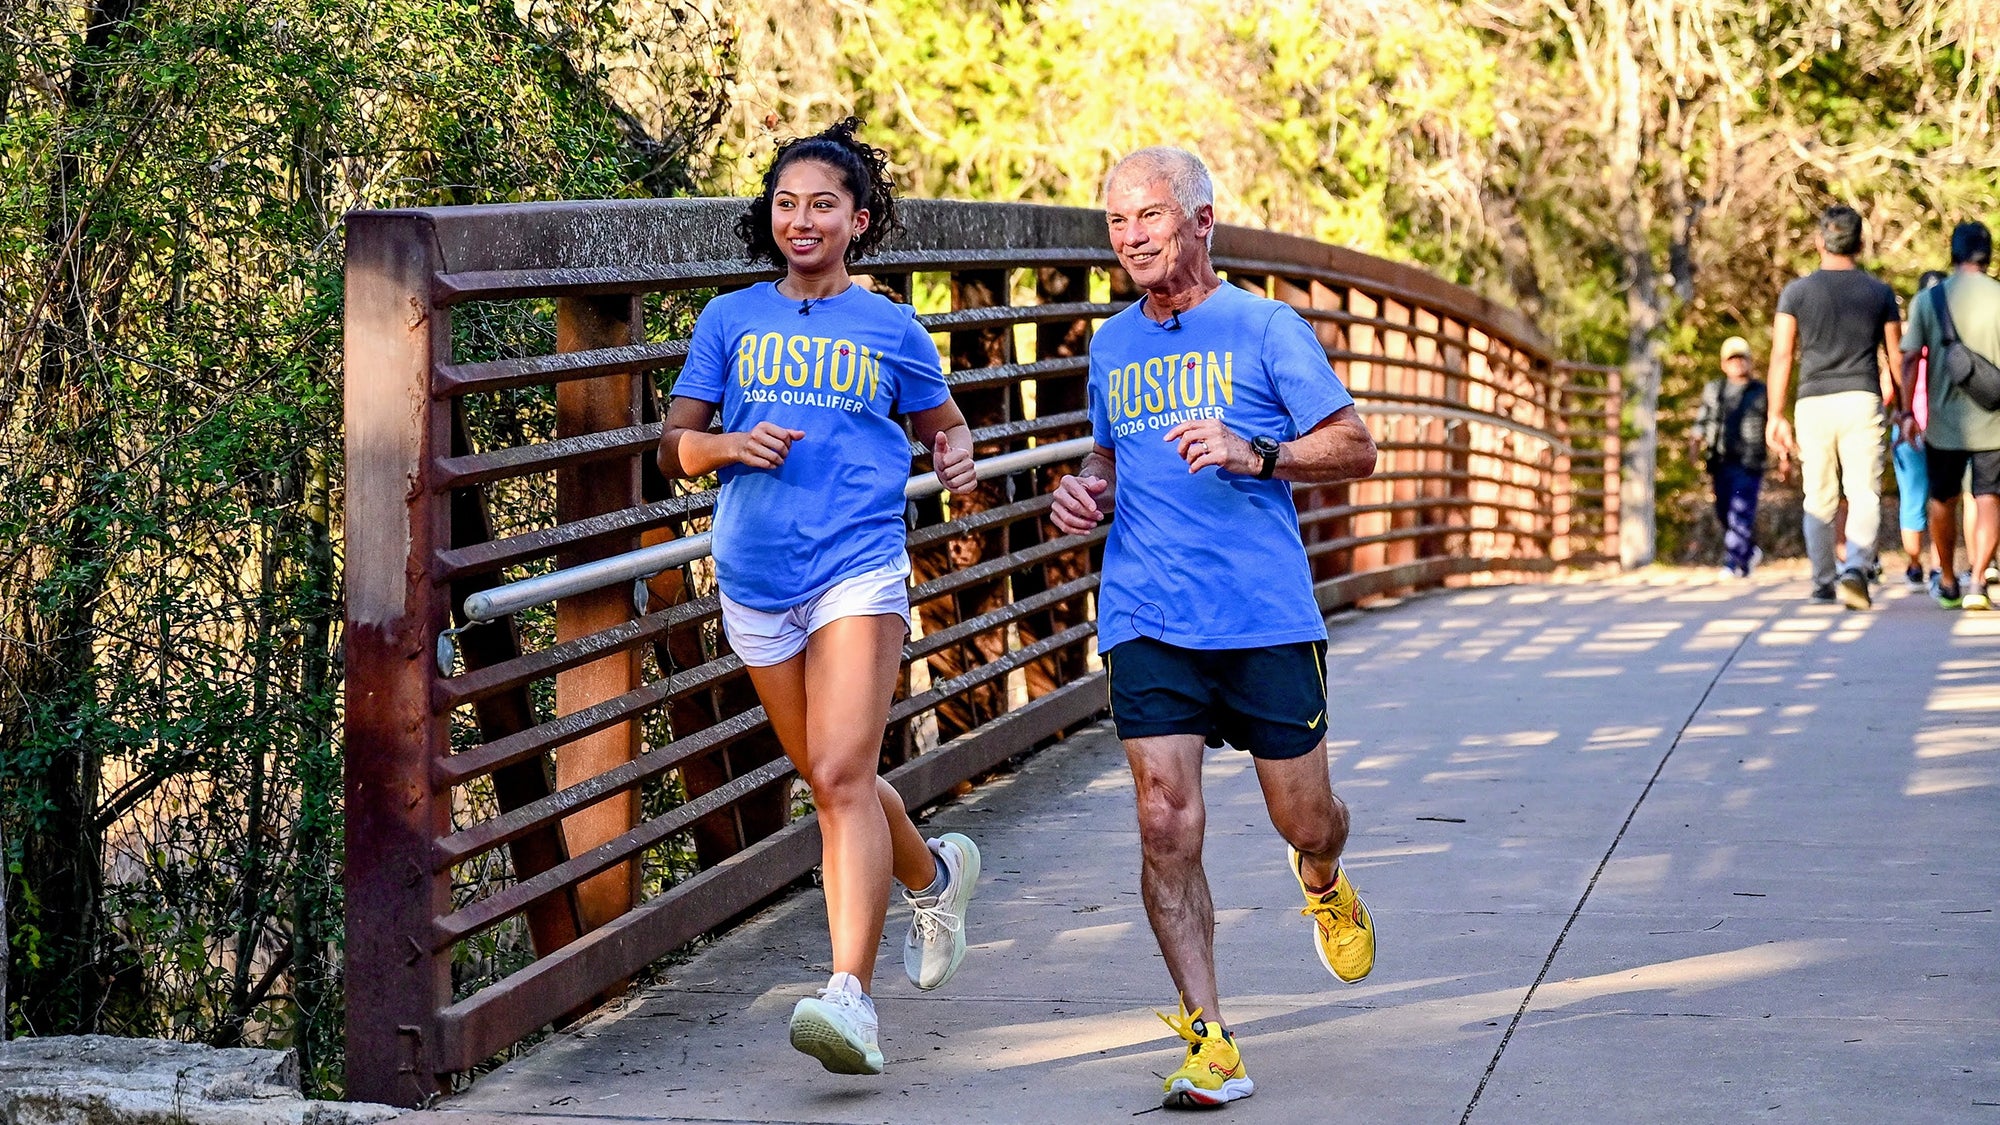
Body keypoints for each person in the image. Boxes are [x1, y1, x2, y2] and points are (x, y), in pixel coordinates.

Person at [1048, 147, 1380, 1109]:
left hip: (1264, 614)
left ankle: (1324, 878)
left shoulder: (1266, 326)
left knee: (1304, 817)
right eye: (1115, 222)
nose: (1131, 237)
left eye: (1148, 216)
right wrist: (1084, 496)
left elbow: (1355, 446)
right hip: (1149, 613)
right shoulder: (1111, 346)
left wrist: (1257, 449)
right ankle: (1212, 1037)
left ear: (1201, 220)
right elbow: (1110, 468)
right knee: (1163, 820)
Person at [657, 118, 983, 1076]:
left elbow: (944, 425)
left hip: (858, 568)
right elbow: (673, 446)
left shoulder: (890, 327)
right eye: (786, 203)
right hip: (756, 577)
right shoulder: (730, 320)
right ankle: (935, 873)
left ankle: (851, 996)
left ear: (858, 219)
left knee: (841, 774)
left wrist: (956, 455)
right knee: (832, 778)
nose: (801, 220)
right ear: (770, 216)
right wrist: (726, 446)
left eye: (822, 205)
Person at [1765, 205, 1904, 609]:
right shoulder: (1878, 293)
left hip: (1814, 403)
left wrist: (1776, 413)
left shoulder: (1796, 292)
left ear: (1818, 241)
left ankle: (1823, 580)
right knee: (1863, 493)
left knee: (1819, 497)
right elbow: (1895, 358)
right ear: (1861, 243)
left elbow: (1782, 355)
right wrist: (1908, 408)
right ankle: (1856, 569)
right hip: (1862, 399)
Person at [1899, 222, 2000, 611]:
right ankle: (1978, 579)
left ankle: (1946, 577)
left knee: (1943, 498)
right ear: (1987, 255)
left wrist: (1908, 411)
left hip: (1943, 421)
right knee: (1989, 496)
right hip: (1994, 422)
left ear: (1953, 254)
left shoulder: (1930, 300)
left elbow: (1909, 360)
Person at [1692, 336, 1769, 578]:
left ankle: (1731, 560)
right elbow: (1702, 420)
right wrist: (1694, 443)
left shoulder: (1761, 391)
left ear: (1749, 362)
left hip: (1749, 461)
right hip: (1721, 461)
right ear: (1723, 364)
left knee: (1740, 510)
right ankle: (1747, 554)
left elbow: (1772, 422)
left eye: (1741, 358)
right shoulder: (1714, 390)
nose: (1737, 363)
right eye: (1732, 359)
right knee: (1724, 511)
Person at [1892, 270, 1948, 588]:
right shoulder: (1958, 334)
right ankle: (1939, 566)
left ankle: (1915, 567)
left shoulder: (1907, 338)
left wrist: (1902, 414)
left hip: (1910, 423)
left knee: (1913, 497)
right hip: (1944, 425)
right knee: (1942, 497)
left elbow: (1893, 382)